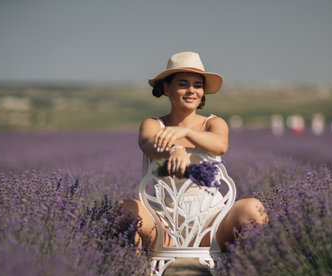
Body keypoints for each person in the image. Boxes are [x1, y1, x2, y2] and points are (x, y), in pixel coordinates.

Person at [115, 51, 268, 251]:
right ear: (167, 88)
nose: (191, 91)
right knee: (123, 210)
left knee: (253, 208)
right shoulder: (153, 124)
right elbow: (148, 143)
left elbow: (220, 144)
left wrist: (185, 132)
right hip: (163, 225)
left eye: (197, 85)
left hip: (212, 225)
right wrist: (174, 151)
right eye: (183, 84)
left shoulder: (214, 123)